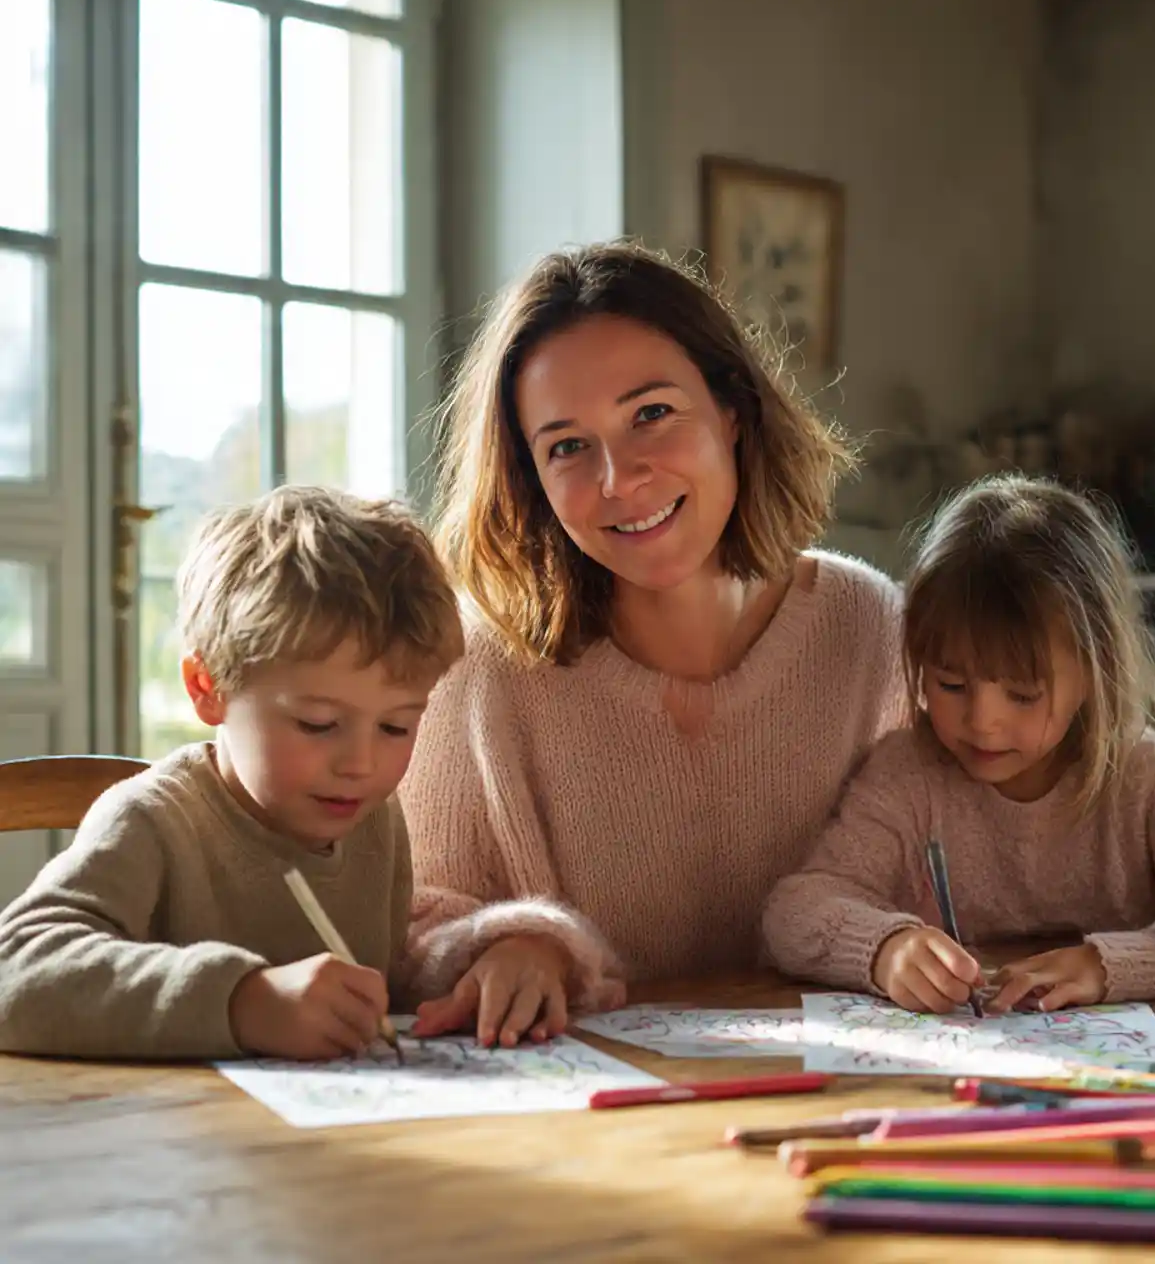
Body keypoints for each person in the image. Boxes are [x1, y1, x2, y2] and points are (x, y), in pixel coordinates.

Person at [399, 241, 909, 1050]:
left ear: (733, 414)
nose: (619, 478)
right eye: (567, 446)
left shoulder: (870, 627)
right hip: (604, 1135)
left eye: (651, 415)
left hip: (852, 1098)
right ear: (530, 479)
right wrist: (510, 946)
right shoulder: (482, 664)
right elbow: (417, 912)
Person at [762, 474, 1155, 1014]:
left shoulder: (1151, 781)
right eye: (951, 685)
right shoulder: (908, 774)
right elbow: (795, 912)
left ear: (1094, 672)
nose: (982, 723)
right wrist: (883, 950)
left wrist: (1121, 963)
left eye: (1023, 694)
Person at [0, 485, 462, 1061]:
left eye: (396, 727)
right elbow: (15, 971)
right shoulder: (153, 821)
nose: (361, 765)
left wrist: (484, 967)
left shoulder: (374, 822)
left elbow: (386, 980)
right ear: (208, 689)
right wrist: (245, 1002)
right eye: (318, 724)